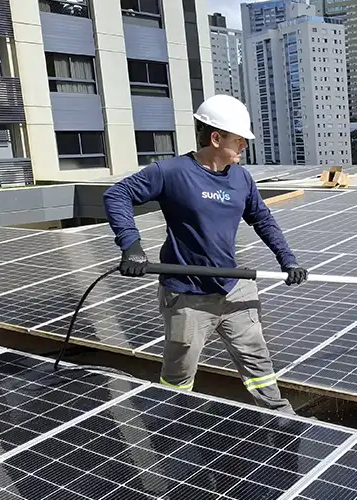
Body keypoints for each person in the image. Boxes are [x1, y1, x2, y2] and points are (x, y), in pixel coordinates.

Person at [103, 94, 307, 414]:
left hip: (233, 286)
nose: (244, 146)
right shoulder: (172, 172)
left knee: (258, 361)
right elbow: (117, 194)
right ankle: (174, 419)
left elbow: (263, 219)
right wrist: (131, 245)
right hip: (187, 295)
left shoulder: (241, 178)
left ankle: (281, 417)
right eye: (239, 140)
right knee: (179, 372)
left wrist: (288, 259)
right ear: (215, 138)